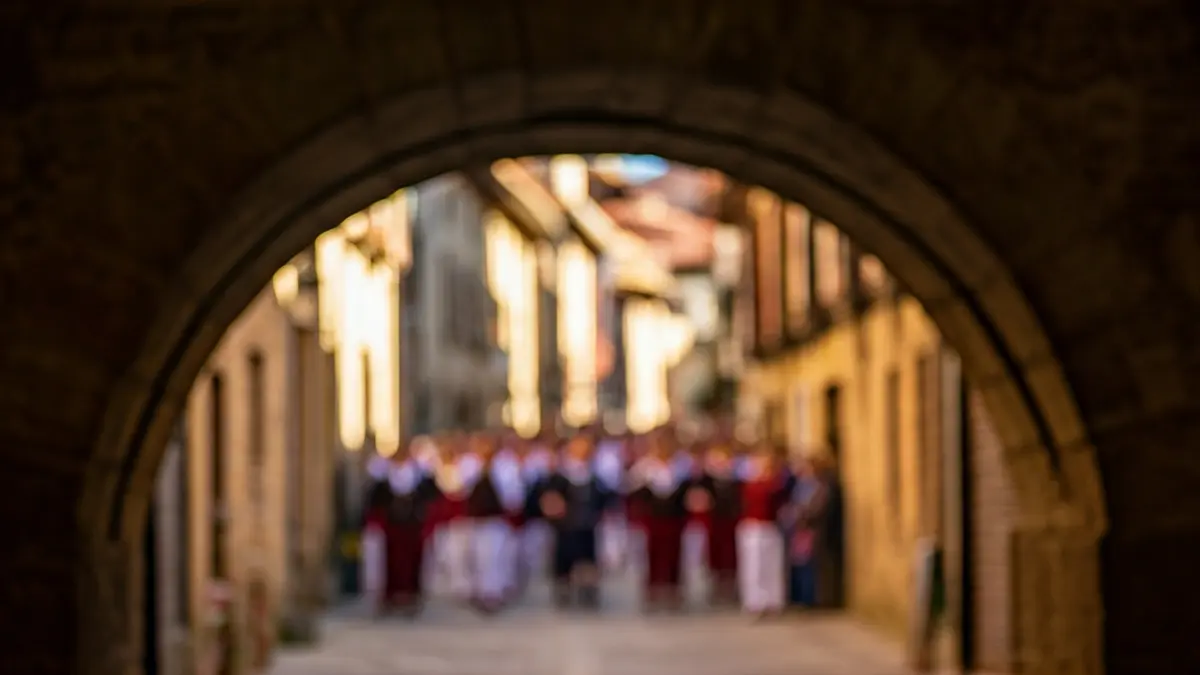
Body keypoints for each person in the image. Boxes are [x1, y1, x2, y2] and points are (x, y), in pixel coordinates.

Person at [538, 433, 613, 609]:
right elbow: (548, 498)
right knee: (564, 558)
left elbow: (603, 497)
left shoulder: (594, 474)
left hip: (587, 524)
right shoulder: (560, 475)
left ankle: (588, 592)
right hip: (565, 525)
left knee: (587, 559)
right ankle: (563, 591)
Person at [629, 429, 689, 611]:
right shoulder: (645, 467)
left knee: (674, 552)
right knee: (653, 552)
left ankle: (673, 589)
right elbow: (633, 491)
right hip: (653, 517)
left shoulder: (680, 466)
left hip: (674, 517)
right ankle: (654, 589)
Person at [736, 440, 791, 619]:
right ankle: (755, 602)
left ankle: (773, 602)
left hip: (771, 527)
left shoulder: (778, 483)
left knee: (772, 567)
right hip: (753, 527)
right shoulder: (750, 482)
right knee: (754, 567)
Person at [385, 441, 441, 615]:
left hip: (412, 523)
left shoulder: (418, 473)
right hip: (394, 524)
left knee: (413, 560)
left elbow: (430, 494)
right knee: (394, 561)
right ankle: (395, 595)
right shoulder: (387, 474)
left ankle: (412, 595)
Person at [430, 435, 482, 604]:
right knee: (447, 555)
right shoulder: (439, 469)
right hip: (445, 520)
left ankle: (466, 587)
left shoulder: (467, 467)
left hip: (461, 519)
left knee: (464, 554)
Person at [691, 441, 742, 606]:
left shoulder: (735, 479)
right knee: (714, 554)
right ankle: (716, 586)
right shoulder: (706, 479)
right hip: (714, 521)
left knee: (731, 554)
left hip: (730, 521)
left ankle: (731, 586)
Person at [361, 453, 393, 615]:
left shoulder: (384, 489)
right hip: (374, 530)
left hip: (382, 531)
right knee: (373, 565)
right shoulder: (375, 488)